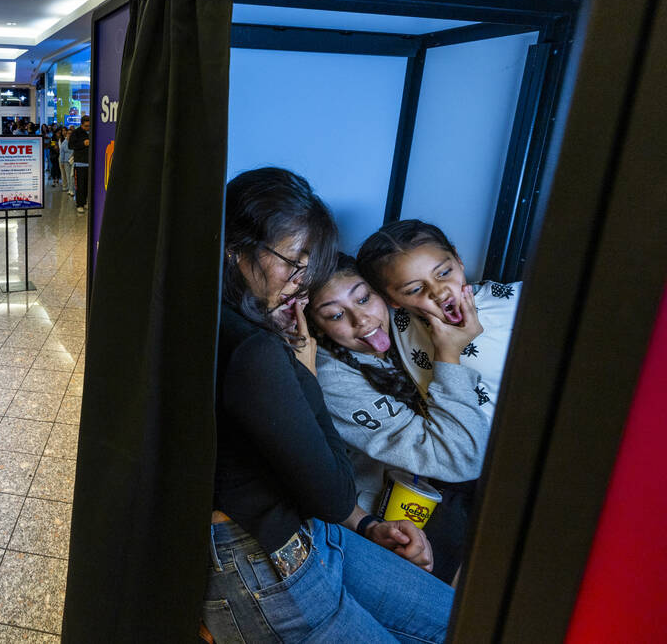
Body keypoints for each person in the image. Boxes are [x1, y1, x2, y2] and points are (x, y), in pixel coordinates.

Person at [205, 167, 452, 643]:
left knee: (452, 619)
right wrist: (308, 370)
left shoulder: (221, 316)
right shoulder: (254, 348)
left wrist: (367, 524)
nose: (300, 282)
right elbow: (334, 492)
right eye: (294, 262)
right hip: (262, 557)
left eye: (308, 266)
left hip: (305, 529)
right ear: (237, 251)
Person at [307, 253, 492, 582]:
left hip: (455, 475)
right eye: (336, 315)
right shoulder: (333, 377)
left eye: (364, 298)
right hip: (396, 504)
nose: (362, 320)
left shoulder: (410, 322)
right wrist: (448, 357)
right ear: (317, 327)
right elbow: (458, 459)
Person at [357, 220, 522, 414]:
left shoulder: (515, 302)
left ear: (458, 259)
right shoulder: (395, 317)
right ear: (391, 300)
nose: (438, 291)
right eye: (415, 289)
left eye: (444, 273)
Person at [57, 127, 73, 195]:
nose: (69, 135)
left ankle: (71, 189)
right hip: (66, 161)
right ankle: (69, 189)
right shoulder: (64, 143)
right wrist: (62, 162)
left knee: (71, 175)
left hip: (73, 161)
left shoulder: (75, 141)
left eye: (71, 134)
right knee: (67, 175)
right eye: (68, 133)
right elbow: (62, 153)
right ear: (66, 134)